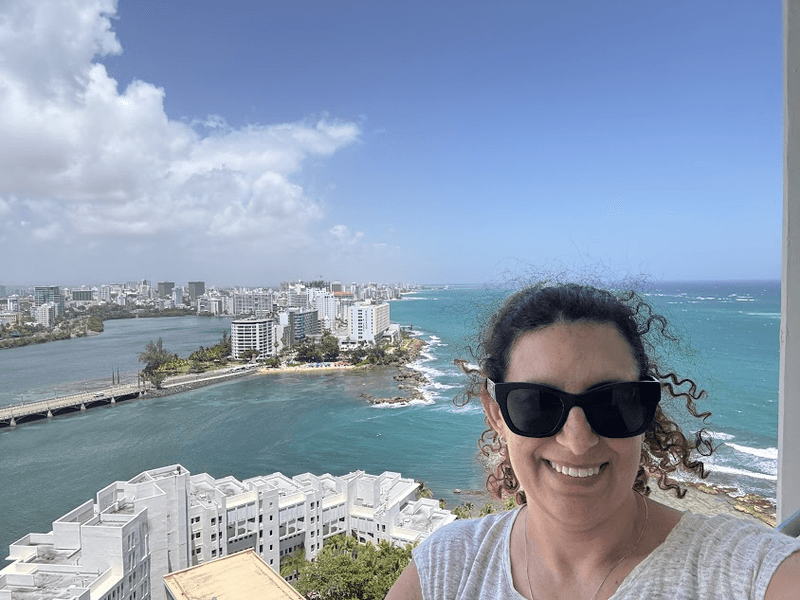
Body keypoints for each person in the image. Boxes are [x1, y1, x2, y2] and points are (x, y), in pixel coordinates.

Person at [386, 283, 800, 600]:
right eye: (537, 404)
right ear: (496, 413)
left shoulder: (742, 572)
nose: (578, 441)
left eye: (614, 403)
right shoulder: (447, 570)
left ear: (646, 410)